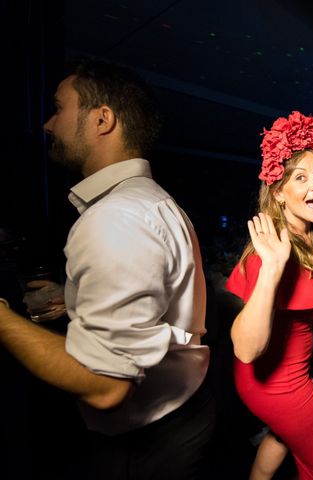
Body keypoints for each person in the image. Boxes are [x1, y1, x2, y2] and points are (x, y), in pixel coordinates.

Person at [0, 61, 214, 479]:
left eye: (59, 108)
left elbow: (106, 385)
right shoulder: (146, 202)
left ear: (102, 119)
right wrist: (77, 296)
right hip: (182, 410)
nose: (47, 123)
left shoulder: (118, 217)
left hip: (148, 440)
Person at [225, 111, 313, 480]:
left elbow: (303, 306)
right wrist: (274, 269)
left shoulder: (312, 234)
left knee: (280, 441)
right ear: (278, 193)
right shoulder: (273, 251)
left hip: (285, 376)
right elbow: (245, 348)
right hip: (279, 386)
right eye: (301, 177)